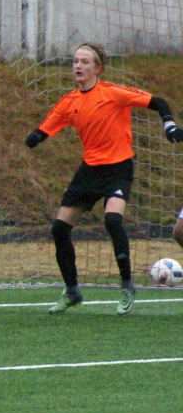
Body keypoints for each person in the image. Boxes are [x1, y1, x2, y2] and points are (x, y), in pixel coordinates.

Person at [25, 42, 183, 315]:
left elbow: (157, 101)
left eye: (85, 61)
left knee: (112, 220)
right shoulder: (69, 102)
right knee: (59, 229)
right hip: (89, 171)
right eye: (76, 61)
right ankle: (72, 292)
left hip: (118, 170)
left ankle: (127, 286)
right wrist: (35, 137)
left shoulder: (113, 93)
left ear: (98, 68)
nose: (78, 65)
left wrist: (168, 124)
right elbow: (47, 127)